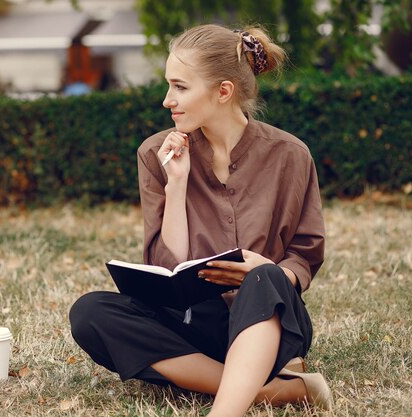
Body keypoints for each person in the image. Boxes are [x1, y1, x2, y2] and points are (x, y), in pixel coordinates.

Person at [69, 23, 332, 416]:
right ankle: (276, 391)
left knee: (264, 277)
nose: (166, 100)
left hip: (271, 321)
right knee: (90, 313)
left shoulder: (290, 155)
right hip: (197, 323)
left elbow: (306, 252)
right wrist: (177, 185)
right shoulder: (157, 154)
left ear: (223, 91)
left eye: (180, 87)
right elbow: (166, 269)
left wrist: (273, 271)